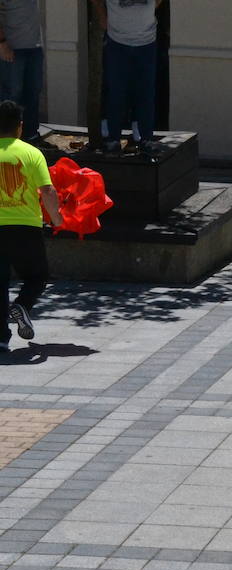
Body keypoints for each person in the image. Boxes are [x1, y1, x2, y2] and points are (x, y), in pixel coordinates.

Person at [0, 99, 61, 353]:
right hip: (26, 227)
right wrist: (57, 219)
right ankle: (22, 305)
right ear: (20, 127)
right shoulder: (31, 153)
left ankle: (1, 339)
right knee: (37, 276)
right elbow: (47, 190)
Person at [91, 0, 163, 153]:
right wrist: (102, 17)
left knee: (146, 93)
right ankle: (113, 139)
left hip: (147, 41)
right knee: (116, 92)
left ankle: (146, 139)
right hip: (117, 41)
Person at [0, 0, 44, 142]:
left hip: (34, 47)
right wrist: (2, 43)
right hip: (11, 48)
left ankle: (31, 135)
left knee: (33, 92)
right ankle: (7, 139)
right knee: (11, 96)